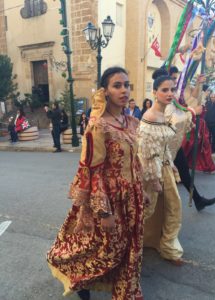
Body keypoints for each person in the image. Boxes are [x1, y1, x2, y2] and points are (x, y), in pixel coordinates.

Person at [47, 67, 145, 300]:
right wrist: (103, 211)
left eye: (126, 85)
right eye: (117, 85)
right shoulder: (98, 125)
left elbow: (134, 160)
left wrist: (142, 189)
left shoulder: (131, 122)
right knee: (101, 249)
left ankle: (126, 292)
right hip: (108, 198)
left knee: (130, 248)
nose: (124, 90)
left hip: (132, 197)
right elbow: (93, 170)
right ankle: (80, 282)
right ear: (106, 92)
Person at [138, 74, 184, 266]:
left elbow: (163, 145)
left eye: (172, 89)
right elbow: (147, 152)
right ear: (154, 92)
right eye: (164, 90)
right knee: (147, 210)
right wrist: (155, 179)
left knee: (172, 207)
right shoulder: (150, 116)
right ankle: (129, 245)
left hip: (164, 167)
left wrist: (171, 163)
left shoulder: (164, 114)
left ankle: (167, 247)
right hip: (152, 172)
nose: (170, 93)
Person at [162, 67, 215, 210]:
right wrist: (192, 112)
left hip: (174, 144)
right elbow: (173, 119)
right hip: (163, 147)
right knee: (164, 179)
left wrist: (199, 84)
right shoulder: (164, 96)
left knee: (185, 173)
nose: (176, 81)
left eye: (176, 78)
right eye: (173, 78)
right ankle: (162, 210)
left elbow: (189, 103)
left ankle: (198, 200)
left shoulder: (174, 95)